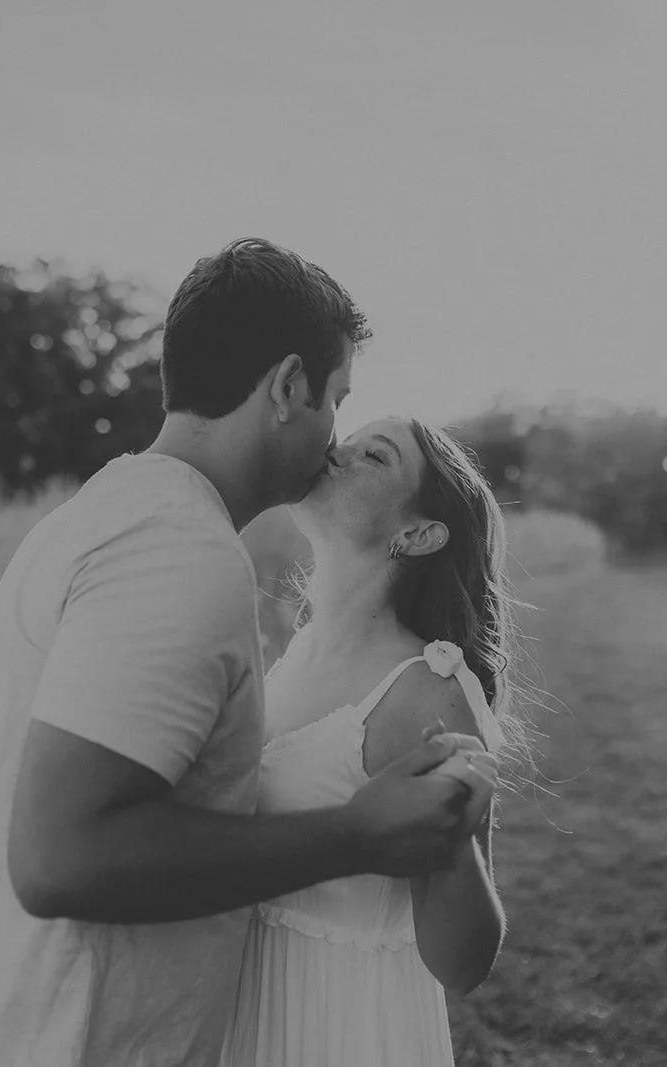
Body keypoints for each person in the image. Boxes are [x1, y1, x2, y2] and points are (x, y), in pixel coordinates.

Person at [0, 238, 500, 1067]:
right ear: (287, 387)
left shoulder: (110, 513)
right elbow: (64, 854)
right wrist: (351, 834)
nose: (336, 438)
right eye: (336, 400)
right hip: (50, 1038)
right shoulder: (177, 550)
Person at [221, 415, 530, 1067]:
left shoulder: (426, 692)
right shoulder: (294, 653)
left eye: (374, 454)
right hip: (241, 1006)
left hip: (339, 1022)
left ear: (417, 534)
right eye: (349, 438)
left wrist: (452, 844)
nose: (339, 449)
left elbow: (462, 964)